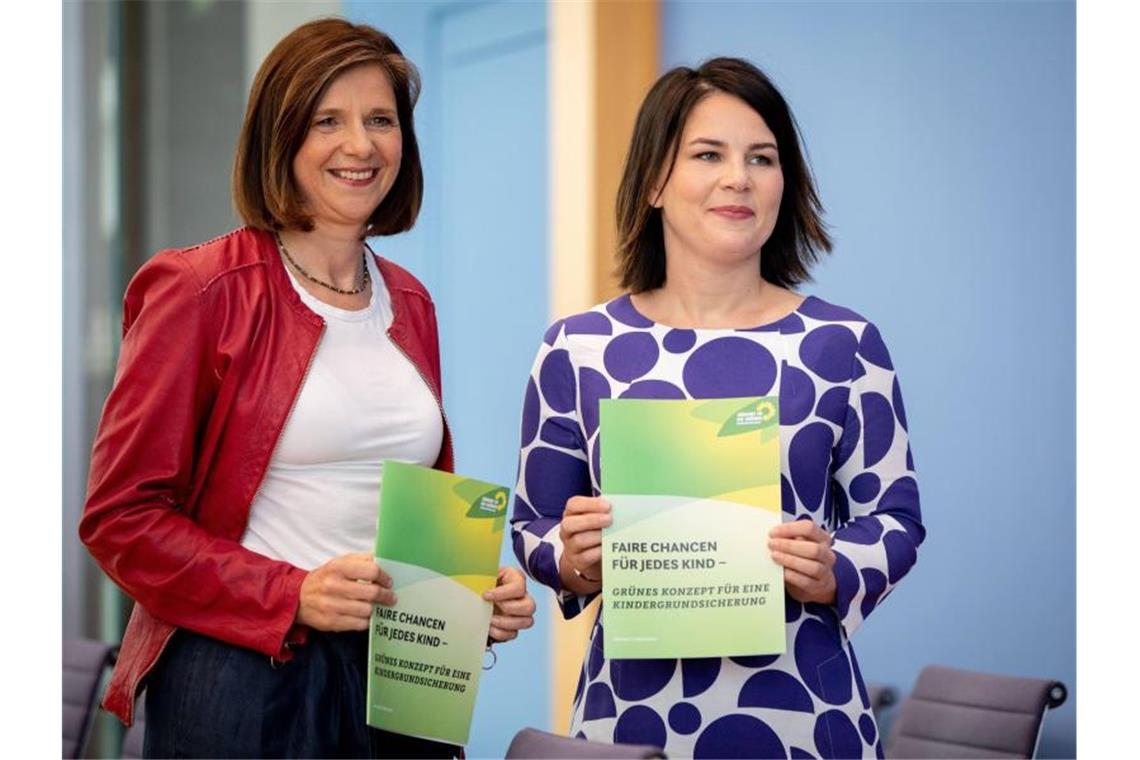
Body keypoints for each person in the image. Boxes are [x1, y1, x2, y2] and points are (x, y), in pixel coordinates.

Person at [79, 18, 535, 759]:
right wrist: (290, 593)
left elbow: (393, 500)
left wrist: (466, 594)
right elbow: (120, 518)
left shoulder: (409, 301)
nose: (361, 144)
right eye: (329, 120)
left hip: (401, 677)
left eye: (380, 120)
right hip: (244, 676)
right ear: (280, 137)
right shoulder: (201, 290)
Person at [511, 57, 924, 758]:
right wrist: (575, 556)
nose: (739, 177)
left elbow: (895, 517)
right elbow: (533, 526)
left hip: (805, 713)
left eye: (761, 158)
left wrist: (835, 567)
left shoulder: (843, 343)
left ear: (783, 185)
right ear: (653, 182)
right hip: (631, 715)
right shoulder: (578, 348)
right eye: (709, 154)